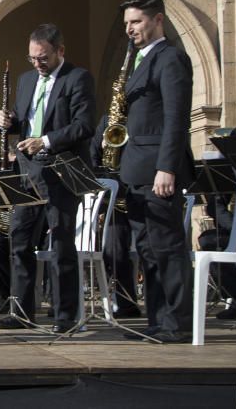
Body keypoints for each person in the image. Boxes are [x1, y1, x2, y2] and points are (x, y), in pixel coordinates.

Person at [0, 23, 95, 333]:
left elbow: (84, 125)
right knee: (19, 241)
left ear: (60, 51)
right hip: (27, 172)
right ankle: (22, 311)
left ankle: (65, 316)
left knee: (62, 243)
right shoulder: (26, 81)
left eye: (43, 58)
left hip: (60, 171)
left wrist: (46, 140)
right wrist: (5, 122)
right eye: (32, 58)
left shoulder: (78, 78)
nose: (38, 64)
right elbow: (21, 121)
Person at [118, 0, 195, 343]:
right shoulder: (138, 59)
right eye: (127, 24)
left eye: (136, 22)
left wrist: (167, 168)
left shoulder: (170, 58)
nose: (130, 29)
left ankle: (176, 324)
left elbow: (176, 117)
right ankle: (157, 320)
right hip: (136, 168)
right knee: (147, 250)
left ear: (157, 20)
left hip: (158, 171)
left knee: (167, 248)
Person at [90, 114, 141, 319]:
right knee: (112, 248)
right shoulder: (106, 121)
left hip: (138, 193)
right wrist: (104, 146)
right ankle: (126, 303)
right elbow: (91, 155)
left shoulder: (141, 118)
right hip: (115, 201)